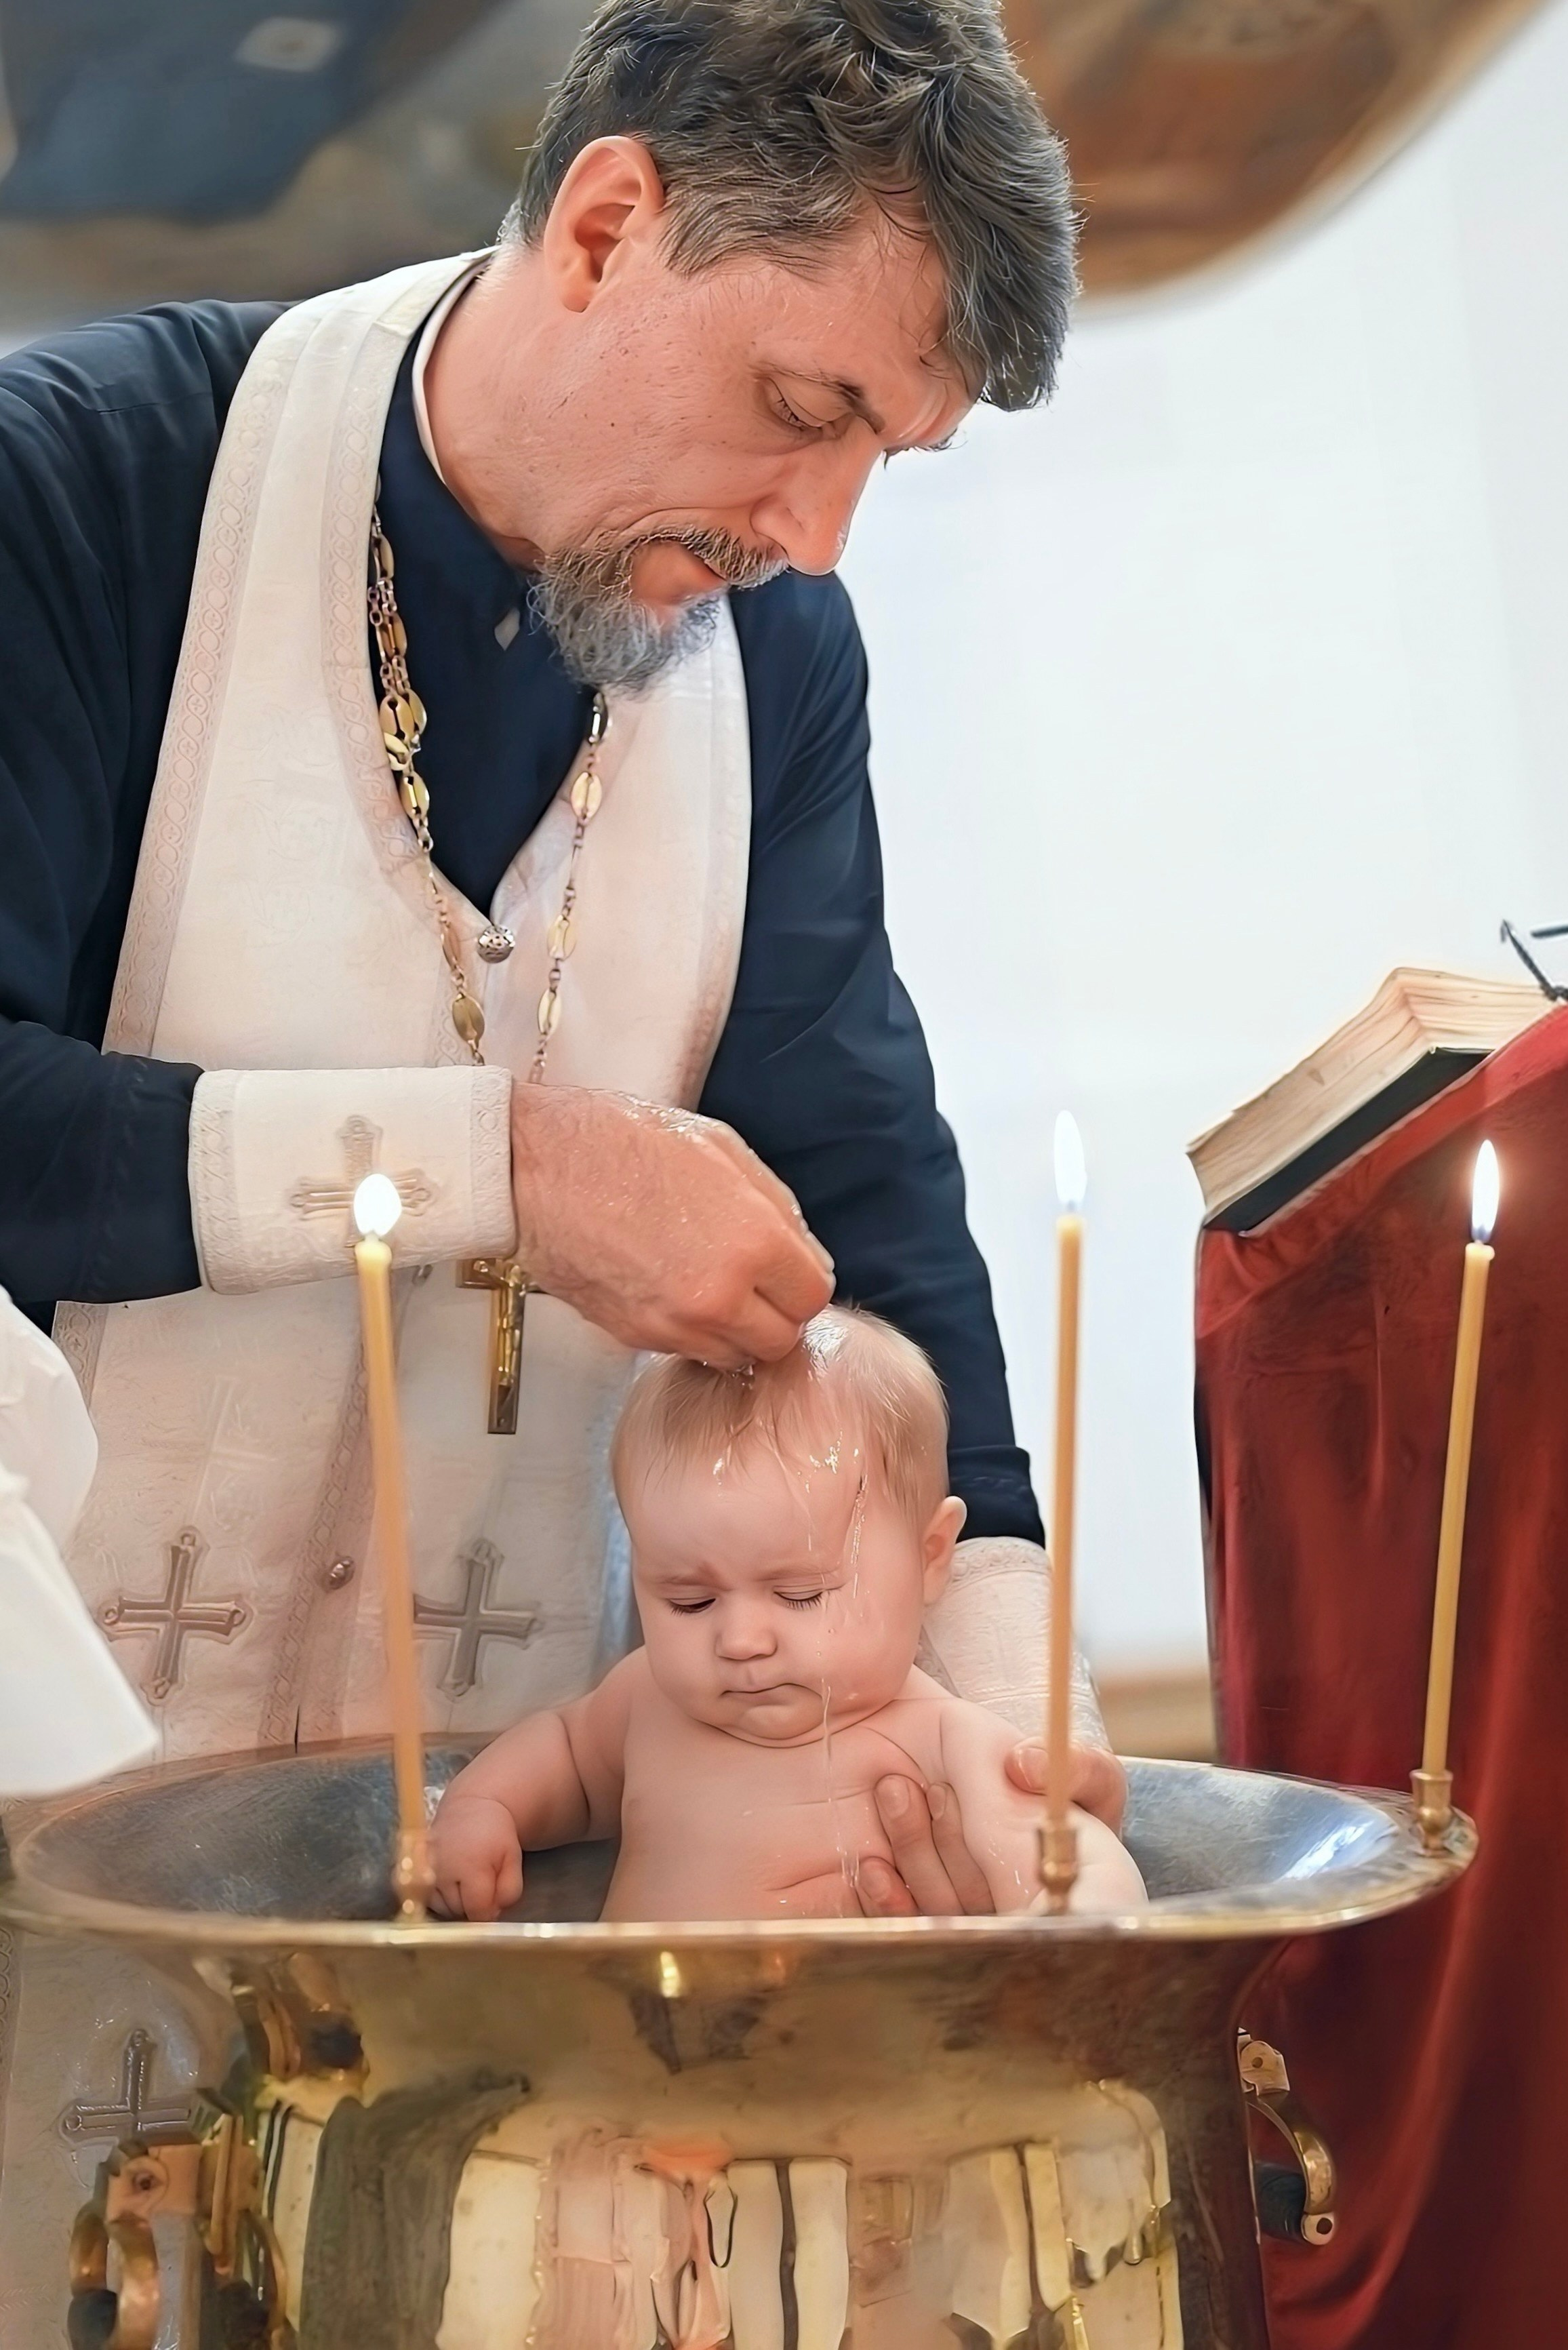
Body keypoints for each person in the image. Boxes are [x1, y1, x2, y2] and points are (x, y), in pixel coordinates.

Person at [0, 5, 1117, 2324]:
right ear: (607, 220)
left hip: (469, 1922)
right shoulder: (83, 489)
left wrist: (1004, 1701)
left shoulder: (775, 660)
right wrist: (505, 1163)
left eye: (876, 465)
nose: (811, 537)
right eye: (801, 412)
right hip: (49, 1795)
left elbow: (861, 1173)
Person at [434, 1308, 1145, 1923]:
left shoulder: (941, 1738)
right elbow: (562, 1753)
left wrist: (1067, 1925)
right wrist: (482, 1810)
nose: (741, 1640)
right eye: (690, 1600)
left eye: (801, 1594)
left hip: (841, 2064)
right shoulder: (645, 1699)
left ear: (932, 1557)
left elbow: (1076, 1868)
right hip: (642, 2060)